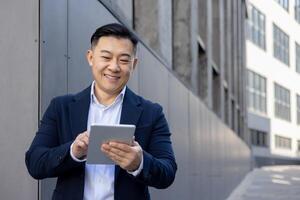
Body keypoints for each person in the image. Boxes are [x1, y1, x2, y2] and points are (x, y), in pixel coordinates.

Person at [25, 23, 177, 200]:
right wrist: (74, 151)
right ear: (90, 57)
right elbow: (35, 162)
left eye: (124, 60)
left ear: (133, 64)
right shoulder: (61, 107)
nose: (114, 67)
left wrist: (139, 163)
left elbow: (168, 171)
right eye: (106, 57)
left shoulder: (152, 113)